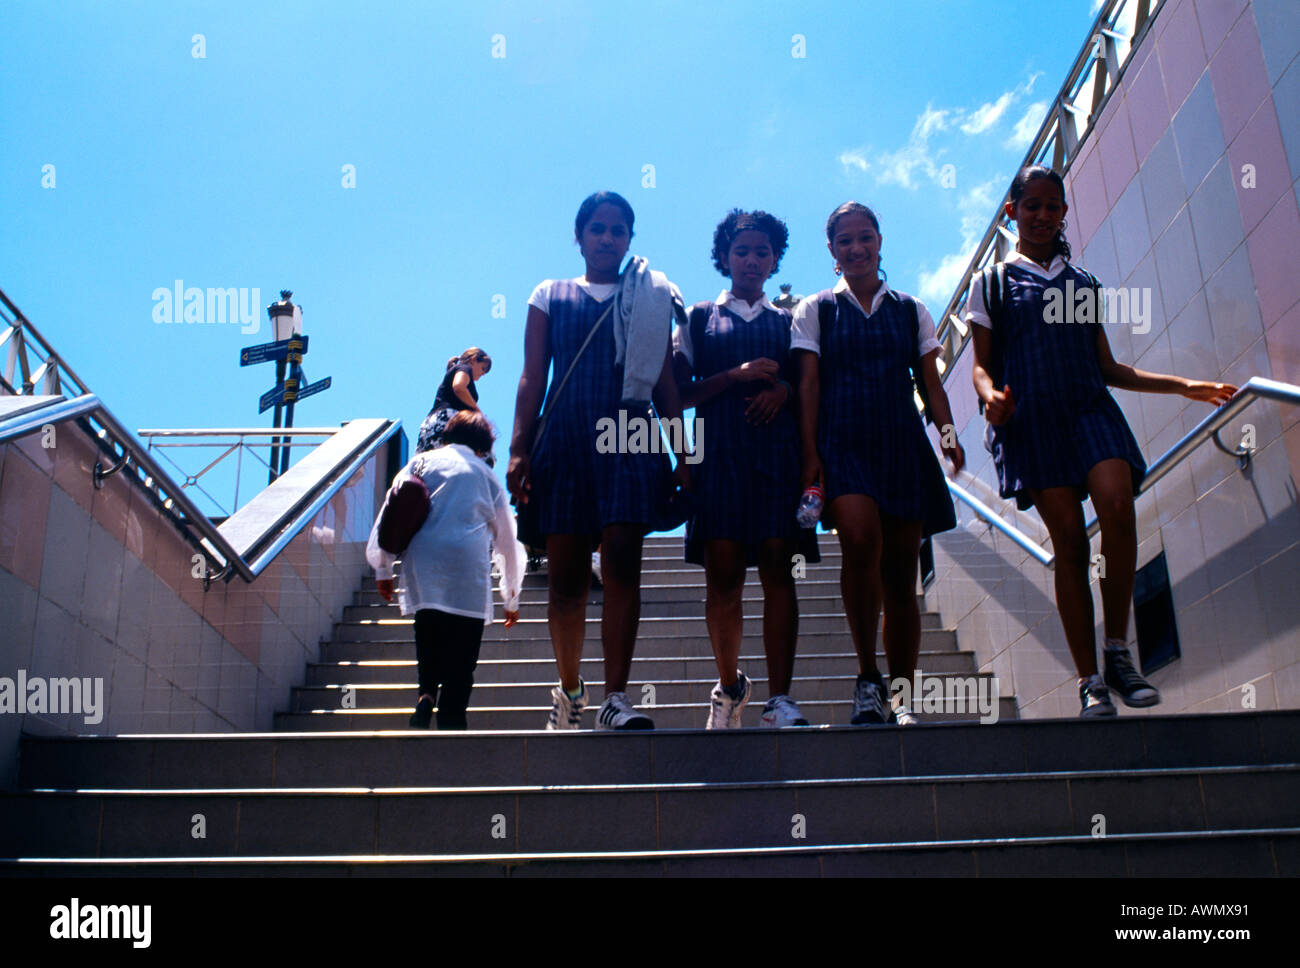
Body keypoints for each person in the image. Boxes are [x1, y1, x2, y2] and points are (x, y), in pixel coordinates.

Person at [966, 164, 1237, 717]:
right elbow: (980, 368)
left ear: (1063, 213)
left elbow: (1108, 367)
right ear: (1012, 211)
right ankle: (1090, 682)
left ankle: (1118, 651)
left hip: (1090, 410)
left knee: (1117, 504)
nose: (1042, 215)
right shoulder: (993, 283)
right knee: (1069, 543)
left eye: (1052, 206)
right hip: (1032, 423)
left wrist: (1187, 386)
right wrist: (991, 397)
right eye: (1032, 205)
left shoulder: (1082, 284)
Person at [507, 190, 692, 730]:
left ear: (630, 238)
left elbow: (664, 381)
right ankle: (569, 691)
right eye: (598, 228)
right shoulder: (550, 294)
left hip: (630, 437)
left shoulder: (651, 294)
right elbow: (532, 375)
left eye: (618, 230)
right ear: (579, 236)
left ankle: (616, 697)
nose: (608, 238)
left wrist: (685, 453)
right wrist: (519, 449)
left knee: (622, 572)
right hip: (564, 440)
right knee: (566, 581)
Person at [794, 201, 965, 726]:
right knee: (861, 539)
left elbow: (930, 383)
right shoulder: (816, 309)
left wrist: (948, 433)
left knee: (900, 575)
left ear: (879, 241)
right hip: (843, 443)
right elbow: (808, 385)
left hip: (901, 445)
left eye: (865, 237)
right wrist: (809, 454)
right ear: (832, 251)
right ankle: (867, 677)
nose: (857, 248)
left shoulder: (911, 309)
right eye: (845, 241)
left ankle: (903, 695)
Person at [673, 209, 816, 728]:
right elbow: (678, 393)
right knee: (724, 580)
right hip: (719, 458)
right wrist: (734, 375)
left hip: (778, 461)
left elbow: (809, 391)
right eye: (742, 251)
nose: (752, 260)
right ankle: (730, 687)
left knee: (781, 573)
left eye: (762, 251)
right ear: (724, 258)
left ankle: (780, 699)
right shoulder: (697, 318)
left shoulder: (791, 321)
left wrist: (781, 390)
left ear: (775, 258)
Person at [366, 410, 524, 730]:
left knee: (429, 635)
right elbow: (507, 540)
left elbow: (391, 509)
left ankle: (425, 695)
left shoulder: (420, 463)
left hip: (424, 564)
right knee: (462, 656)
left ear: (447, 435)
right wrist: (511, 595)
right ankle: (452, 716)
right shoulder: (485, 473)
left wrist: (383, 568)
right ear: (483, 446)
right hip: (467, 568)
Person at [416, 347, 492, 454]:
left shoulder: (455, 371)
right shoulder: (465, 368)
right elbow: (459, 387)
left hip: (432, 423)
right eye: (483, 368)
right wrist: (477, 411)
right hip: (448, 421)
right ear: (473, 360)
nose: (483, 373)